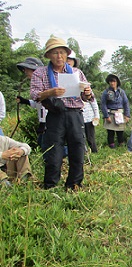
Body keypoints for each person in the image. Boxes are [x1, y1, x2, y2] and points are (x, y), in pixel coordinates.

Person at [30, 36, 95, 190]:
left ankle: (74, 184)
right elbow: (34, 94)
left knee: (77, 149)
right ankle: (50, 185)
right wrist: (50, 92)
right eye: (55, 53)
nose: (59, 56)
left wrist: (86, 92)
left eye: (62, 53)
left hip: (75, 114)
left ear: (67, 55)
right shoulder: (40, 73)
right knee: (54, 151)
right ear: (48, 56)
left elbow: (88, 96)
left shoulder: (76, 72)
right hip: (55, 114)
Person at [66, 52, 99, 153]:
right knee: (79, 138)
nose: (68, 62)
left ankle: (94, 153)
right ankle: (84, 154)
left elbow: (92, 100)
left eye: (70, 60)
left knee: (90, 138)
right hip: (73, 115)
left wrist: (96, 115)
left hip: (88, 116)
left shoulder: (79, 75)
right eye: (67, 59)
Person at [16, 57, 47, 149]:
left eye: (26, 69)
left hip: (49, 122)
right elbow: (38, 104)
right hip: (45, 122)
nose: (25, 72)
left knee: (46, 146)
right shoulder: (35, 84)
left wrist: (43, 123)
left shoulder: (44, 83)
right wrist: (24, 101)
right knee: (42, 144)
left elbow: (45, 105)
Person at [101, 74, 130, 148]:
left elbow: (126, 103)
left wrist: (127, 115)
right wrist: (106, 116)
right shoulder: (106, 92)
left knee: (120, 132)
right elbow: (103, 104)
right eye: (111, 81)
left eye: (114, 81)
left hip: (120, 113)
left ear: (117, 82)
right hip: (110, 113)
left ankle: (121, 146)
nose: (112, 83)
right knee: (110, 132)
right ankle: (111, 147)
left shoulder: (121, 92)